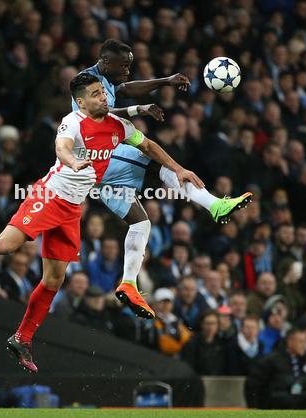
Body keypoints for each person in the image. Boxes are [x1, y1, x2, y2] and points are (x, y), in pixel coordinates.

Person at [0, 72, 203, 372]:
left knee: (54, 279)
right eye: (95, 94)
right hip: (50, 195)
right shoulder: (73, 122)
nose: (102, 97)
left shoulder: (118, 126)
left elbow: (149, 146)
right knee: (7, 244)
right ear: (81, 102)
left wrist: (178, 168)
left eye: (102, 92)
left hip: (72, 208)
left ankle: (21, 338)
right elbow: (61, 147)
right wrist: (73, 161)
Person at [74, 39, 252, 320]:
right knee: (156, 163)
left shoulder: (103, 81)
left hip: (97, 170)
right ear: (106, 63)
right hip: (97, 157)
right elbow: (102, 113)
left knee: (141, 222)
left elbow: (123, 90)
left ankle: (129, 283)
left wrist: (162, 84)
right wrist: (177, 165)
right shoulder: (85, 81)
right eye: (124, 66)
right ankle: (214, 205)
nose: (128, 72)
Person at [245, 328, 306, 409]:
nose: (304, 345)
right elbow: (252, 385)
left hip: (300, 403)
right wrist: (253, 408)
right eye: (301, 342)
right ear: (290, 342)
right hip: (276, 406)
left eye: (305, 342)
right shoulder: (271, 360)